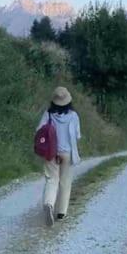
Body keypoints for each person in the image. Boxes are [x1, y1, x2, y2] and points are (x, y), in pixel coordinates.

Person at [37, 86, 82, 226]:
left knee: (52, 180)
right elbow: (77, 135)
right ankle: (61, 213)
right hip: (67, 153)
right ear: (68, 101)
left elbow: (39, 131)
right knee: (65, 183)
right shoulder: (73, 115)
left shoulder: (48, 114)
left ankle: (49, 203)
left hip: (51, 152)